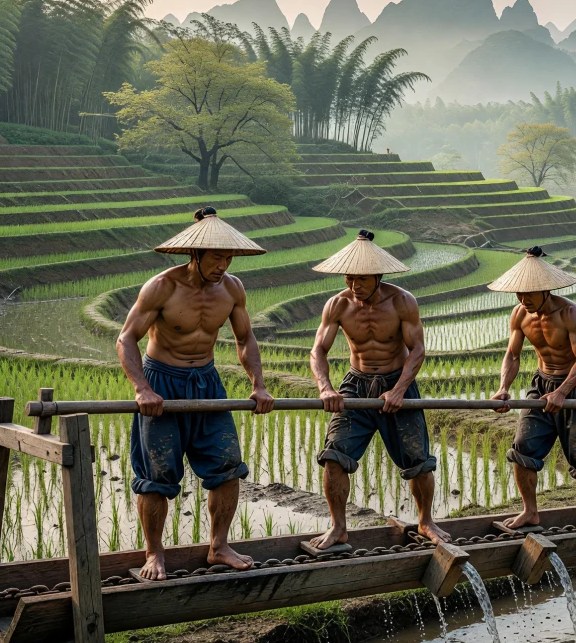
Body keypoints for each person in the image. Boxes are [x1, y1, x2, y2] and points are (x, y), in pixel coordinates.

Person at [118, 207, 275, 581]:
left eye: (228, 257)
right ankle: (154, 553)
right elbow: (126, 338)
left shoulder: (233, 289)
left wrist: (258, 384)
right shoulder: (162, 287)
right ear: (196, 254)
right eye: (217, 257)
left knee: (228, 467)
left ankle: (218, 547)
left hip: (207, 383)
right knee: (157, 475)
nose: (223, 265)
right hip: (163, 383)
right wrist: (143, 388)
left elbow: (244, 339)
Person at [307, 230, 448, 546]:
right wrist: (326, 388)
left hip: (396, 383)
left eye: (363, 278)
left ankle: (426, 522)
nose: (355, 285)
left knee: (418, 460)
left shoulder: (401, 302)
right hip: (356, 385)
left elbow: (418, 349)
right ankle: (339, 528)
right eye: (350, 277)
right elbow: (318, 350)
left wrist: (399, 389)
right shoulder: (338, 305)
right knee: (333, 455)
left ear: (378, 275)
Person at [489, 247, 576, 531]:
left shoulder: (569, 313)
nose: (523, 299)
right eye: (519, 294)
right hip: (541, 384)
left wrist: (563, 391)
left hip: (574, 386)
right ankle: (530, 511)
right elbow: (513, 355)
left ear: (546, 289)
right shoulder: (519, 314)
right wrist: (503, 387)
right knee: (522, 449)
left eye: (529, 294)